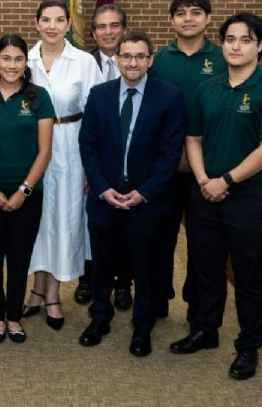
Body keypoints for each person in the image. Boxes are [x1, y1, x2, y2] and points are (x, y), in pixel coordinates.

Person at [169, 12, 262, 381]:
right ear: (221, 44)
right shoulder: (207, 89)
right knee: (205, 268)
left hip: (248, 197)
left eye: (245, 40)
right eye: (230, 39)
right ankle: (206, 330)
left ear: (260, 46)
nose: (236, 46)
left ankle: (249, 345)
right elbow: (193, 138)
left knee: (246, 276)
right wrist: (204, 178)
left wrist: (225, 180)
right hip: (205, 192)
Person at [77, 32, 185, 356]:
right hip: (104, 197)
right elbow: (88, 145)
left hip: (146, 201)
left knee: (144, 266)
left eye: (140, 56)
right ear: (118, 59)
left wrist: (145, 192)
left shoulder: (169, 96)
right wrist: (100, 187)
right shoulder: (100, 95)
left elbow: (170, 153)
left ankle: (142, 325)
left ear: (150, 59)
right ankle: (100, 317)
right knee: (101, 264)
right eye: (127, 56)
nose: (133, 62)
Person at [0, 34, 54, 343]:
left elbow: (44, 151)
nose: (12, 65)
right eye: (6, 58)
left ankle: (14, 317)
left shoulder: (39, 97)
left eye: (18, 59)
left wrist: (24, 191)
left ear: (25, 63)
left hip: (28, 194)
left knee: (19, 256)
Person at [22, 0, 103, 330]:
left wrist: (91, 167)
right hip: (30, 150)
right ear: (37, 23)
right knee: (35, 221)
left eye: (59, 20)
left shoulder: (83, 62)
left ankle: (53, 293)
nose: (52, 25)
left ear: (69, 25)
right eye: (46, 19)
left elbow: (97, 117)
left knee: (64, 221)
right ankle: (36, 290)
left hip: (71, 149)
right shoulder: (23, 60)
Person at [147, 0, 226, 322]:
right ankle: (157, 299)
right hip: (164, 167)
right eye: (181, 13)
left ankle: (198, 307)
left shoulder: (224, 58)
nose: (188, 18)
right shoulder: (159, 60)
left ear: (208, 18)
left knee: (204, 243)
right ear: (171, 20)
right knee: (159, 238)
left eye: (196, 12)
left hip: (209, 169)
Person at [75, 3, 134, 310]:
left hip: (129, 162)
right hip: (95, 159)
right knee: (93, 222)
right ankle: (89, 278)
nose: (108, 32)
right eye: (101, 26)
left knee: (126, 223)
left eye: (114, 26)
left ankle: (123, 283)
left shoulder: (137, 63)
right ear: (93, 32)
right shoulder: (82, 63)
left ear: (124, 28)